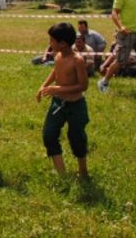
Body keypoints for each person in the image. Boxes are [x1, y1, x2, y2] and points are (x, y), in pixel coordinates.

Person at [36, 22, 90, 177]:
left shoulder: (77, 60)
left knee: (77, 138)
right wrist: (44, 85)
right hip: (58, 104)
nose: (49, 43)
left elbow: (83, 85)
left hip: (75, 106)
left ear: (63, 43)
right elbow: (56, 71)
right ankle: (62, 175)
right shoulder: (58, 55)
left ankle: (83, 171)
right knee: (49, 135)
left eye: (52, 40)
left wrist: (58, 89)